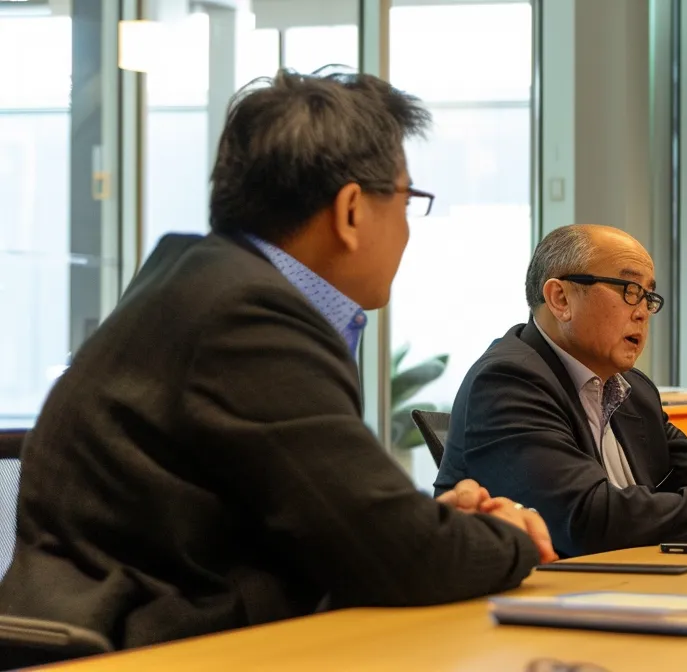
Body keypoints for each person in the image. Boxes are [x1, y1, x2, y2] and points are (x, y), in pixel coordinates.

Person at [0, 69, 556, 650]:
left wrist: (436, 526)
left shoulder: (203, 281)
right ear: (350, 211)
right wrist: (504, 534)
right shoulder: (248, 315)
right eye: (405, 199)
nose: (407, 231)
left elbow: (343, 522)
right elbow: (396, 557)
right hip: (147, 648)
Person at [437, 225, 687, 557]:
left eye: (648, 296)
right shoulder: (508, 381)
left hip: (633, 584)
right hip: (549, 601)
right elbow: (584, 518)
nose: (642, 312)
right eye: (629, 290)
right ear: (561, 299)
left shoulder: (634, 390)